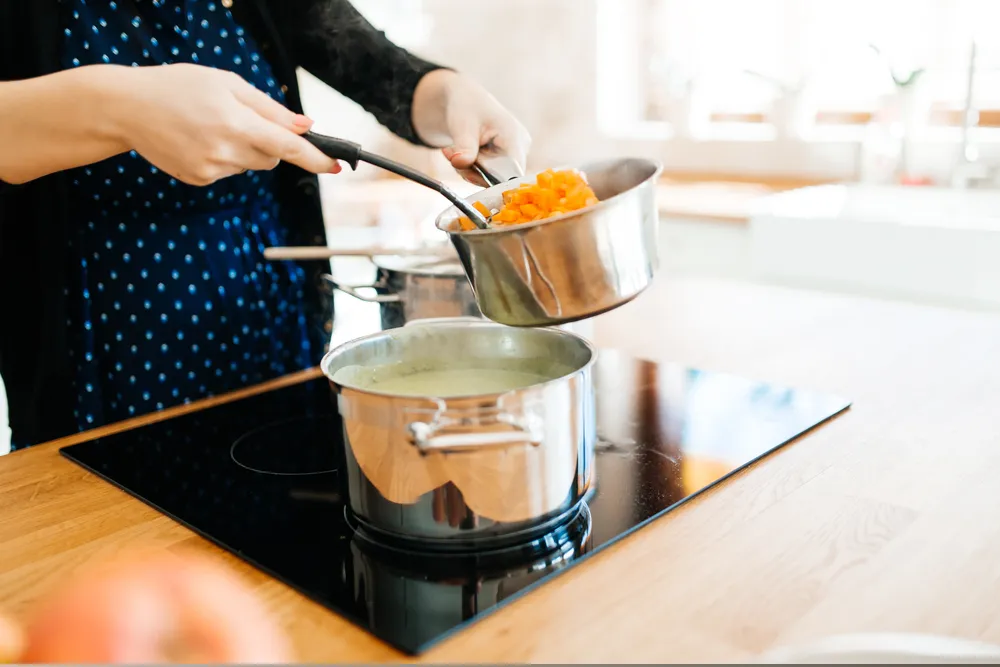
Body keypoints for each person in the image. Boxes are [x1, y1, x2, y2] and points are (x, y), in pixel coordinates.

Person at [0, 0, 531, 450]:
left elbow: (371, 64)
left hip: (273, 329)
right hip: (100, 351)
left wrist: (450, 97)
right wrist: (118, 106)